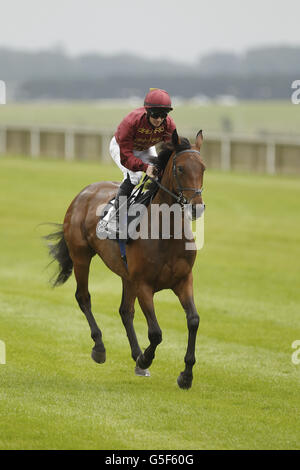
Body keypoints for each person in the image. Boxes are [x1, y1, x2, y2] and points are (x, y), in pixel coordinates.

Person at [109, 88, 176, 222]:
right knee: (135, 177)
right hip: (122, 148)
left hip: (146, 148)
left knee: (160, 174)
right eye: (155, 115)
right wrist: (146, 168)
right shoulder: (130, 122)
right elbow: (126, 156)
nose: (159, 119)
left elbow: (170, 151)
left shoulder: (168, 125)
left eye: (163, 115)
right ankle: (115, 217)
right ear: (147, 111)